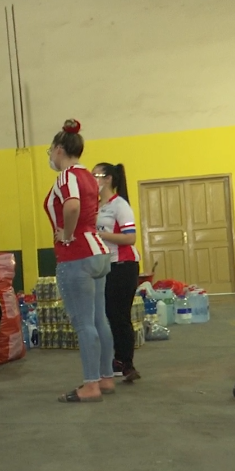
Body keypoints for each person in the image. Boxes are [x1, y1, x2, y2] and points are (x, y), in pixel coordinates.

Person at [43, 119, 114, 403]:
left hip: (77, 255)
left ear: (60, 149)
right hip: (98, 251)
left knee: (83, 323)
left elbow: (71, 205)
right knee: (99, 320)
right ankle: (106, 377)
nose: (50, 156)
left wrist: (67, 235)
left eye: (51, 151)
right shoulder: (89, 177)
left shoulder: (66, 176)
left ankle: (91, 384)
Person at [93, 162, 142, 383]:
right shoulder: (96, 207)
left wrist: (100, 235)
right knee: (109, 315)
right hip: (105, 265)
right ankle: (117, 360)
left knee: (119, 315)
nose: (93, 179)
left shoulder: (119, 205)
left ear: (108, 179)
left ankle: (126, 363)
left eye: (97, 175)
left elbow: (130, 237)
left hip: (123, 265)